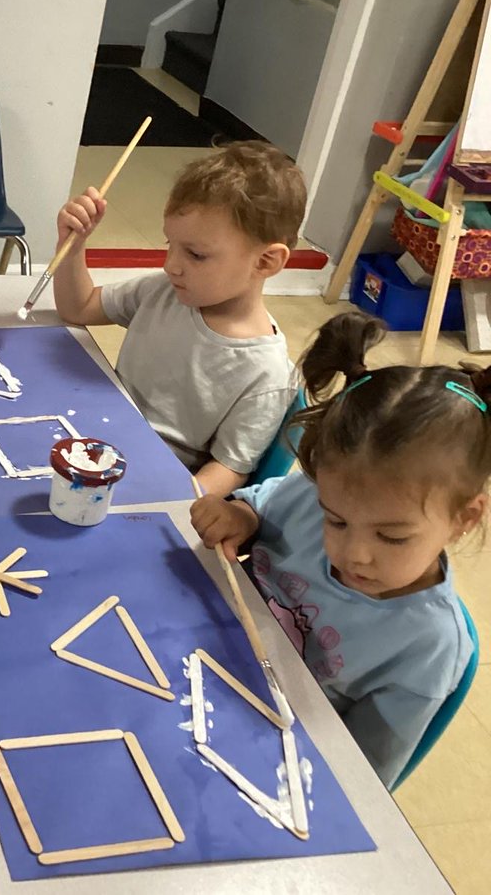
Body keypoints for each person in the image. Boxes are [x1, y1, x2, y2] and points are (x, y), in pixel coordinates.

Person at [191, 313, 483, 787]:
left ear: (464, 519)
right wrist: (241, 516)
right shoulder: (318, 494)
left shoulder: (428, 647)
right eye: (336, 520)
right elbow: (264, 502)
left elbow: (356, 780)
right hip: (206, 651)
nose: (353, 554)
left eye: (391, 537)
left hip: (262, 752)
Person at [54, 141, 305, 495]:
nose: (171, 265)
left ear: (266, 262)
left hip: (149, 484)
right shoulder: (165, 291)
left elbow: (228, 471)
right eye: (169, 244)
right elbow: (78, 308)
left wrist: (157, 504)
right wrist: (72, 246)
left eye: (196, 255)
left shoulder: (268, 373)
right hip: (93, 437)